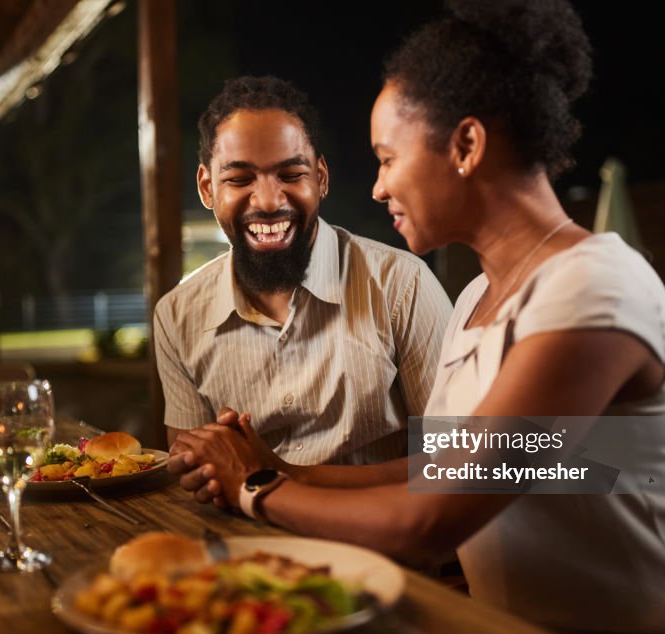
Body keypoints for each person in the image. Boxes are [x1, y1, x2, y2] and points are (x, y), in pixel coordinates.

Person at [167, 2, 665, 634]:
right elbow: (443, 468)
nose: (376, 186)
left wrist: (255, 487)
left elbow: (432, 518)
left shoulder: (592, 287)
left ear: (465, 146)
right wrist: (285, 468)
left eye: (388, 157)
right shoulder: (473, 303)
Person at [154, 76, 452, 466]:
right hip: (242, 527)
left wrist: (280, 481)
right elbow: (192, 469)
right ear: (207, 188)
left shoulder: (403, 286)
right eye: (239, 179)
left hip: (373, 526)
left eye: (291, 175)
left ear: (320, 178)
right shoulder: (177, 317)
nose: (268, 200)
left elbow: (457, 464)